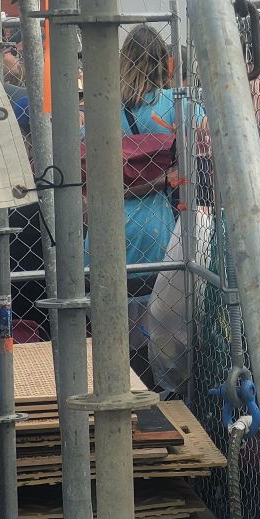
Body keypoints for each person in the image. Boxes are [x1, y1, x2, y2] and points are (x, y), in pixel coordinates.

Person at [85, 24, 205, 382]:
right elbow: (209, 136)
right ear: (163, 64)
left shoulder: (102, 108)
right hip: (157, 236)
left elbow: (90, 176)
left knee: (110, 337)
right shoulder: (175, 104)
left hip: (106, 238)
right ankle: (157, 393)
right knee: (159, 332)